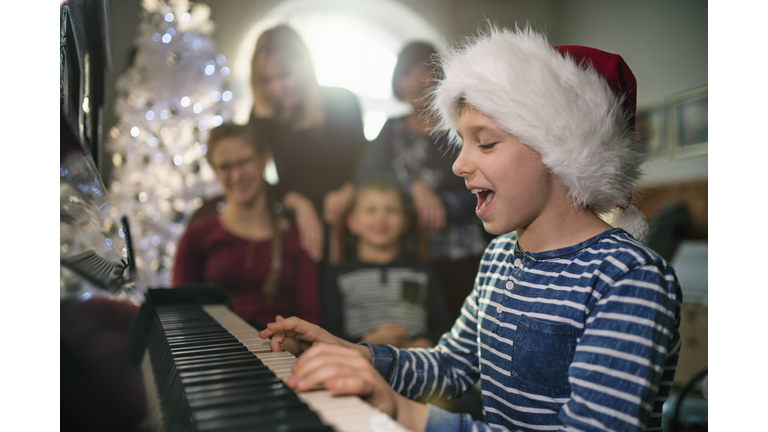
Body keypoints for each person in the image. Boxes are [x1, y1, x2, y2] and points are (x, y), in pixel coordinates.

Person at [258, 26, 682, 432]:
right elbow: (449, 367)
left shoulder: (627, 278)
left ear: (559, 151)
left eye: (486, 142)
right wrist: (355, 355)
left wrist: (403, 414)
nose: (459, 165)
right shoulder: (499, 258)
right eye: (461, 141)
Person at [355, 42, 488, 317]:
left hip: (463, 250)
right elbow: (364, 176)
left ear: (440, 77)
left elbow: (485, 180)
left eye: (424, 72)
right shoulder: (391, 130)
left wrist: (441, 202)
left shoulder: (458, 127)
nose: (415, 82)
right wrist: (413, 187)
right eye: (406, 74)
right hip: (408, 252)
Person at [172, 123, 321, 329]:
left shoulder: (296, 238)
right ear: (214, 171)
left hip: (282, 353)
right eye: (225, 167)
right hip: (215, 351)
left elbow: (311, 321)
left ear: (264, 159)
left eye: (244, 162)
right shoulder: (197, 237)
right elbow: (181, 313)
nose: (236, 175)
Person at [248, 24, 366, 262]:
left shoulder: (344, 101)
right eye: (268, 79)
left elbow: (365, 160)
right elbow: (256, 176)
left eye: (285, 75)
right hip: (295, 218)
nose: (277, 88)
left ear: (306, 65)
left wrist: (349, 189)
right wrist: (297, 204)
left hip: (352, 213)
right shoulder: (262, 116)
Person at [323, 179, 453, 349]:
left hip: (415, 361)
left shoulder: (422, 272)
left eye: (391, 210)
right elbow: (329, 331)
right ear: (353, 222)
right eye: (371, 210)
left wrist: (425, 342)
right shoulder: (338, 274)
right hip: (358, 361)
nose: (381, 218)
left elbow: (444, 327)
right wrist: (367, 341)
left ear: (405, 222)